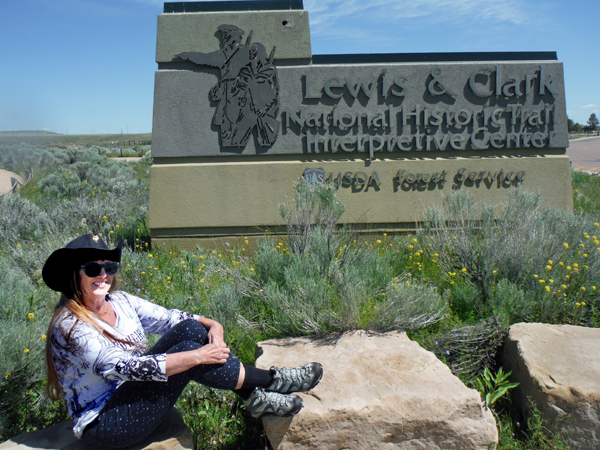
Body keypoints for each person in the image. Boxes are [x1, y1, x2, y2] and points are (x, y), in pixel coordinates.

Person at [42, 234, 323, 449]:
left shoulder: (120, 301)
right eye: (93, 269)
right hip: (105, 423)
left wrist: (215, 325)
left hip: (132, 394)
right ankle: (271, 381)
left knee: (191, 329)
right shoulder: (70, 327)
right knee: (190, 352)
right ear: (73, 275)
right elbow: (125, 368)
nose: (104, 275)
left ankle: (253, 396)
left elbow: (172, 319)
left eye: (110, 266)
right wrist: (199, 357)